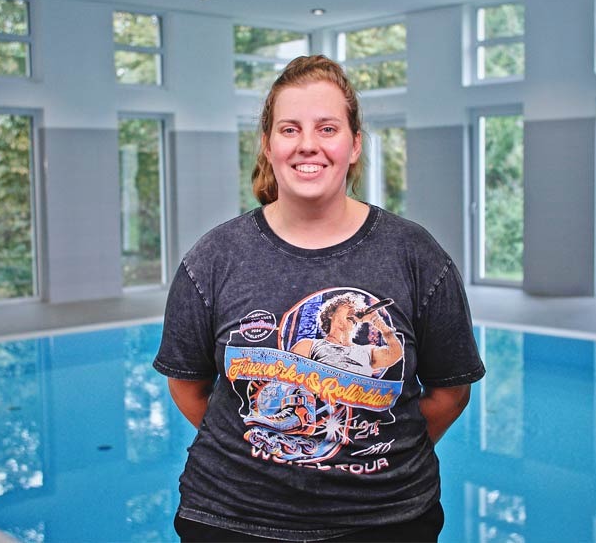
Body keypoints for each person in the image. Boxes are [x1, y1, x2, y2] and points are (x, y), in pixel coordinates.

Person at [154, 54, 484, 542]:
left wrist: (381, 459)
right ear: (268, 145)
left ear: (354, 144)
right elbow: (187, 385)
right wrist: (265, 452)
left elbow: (451, 391)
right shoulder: (214, 258)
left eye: (327, 129)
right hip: (232, 518)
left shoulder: (415, 255)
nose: (308, 144)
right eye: (290, 129)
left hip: (386, 520)